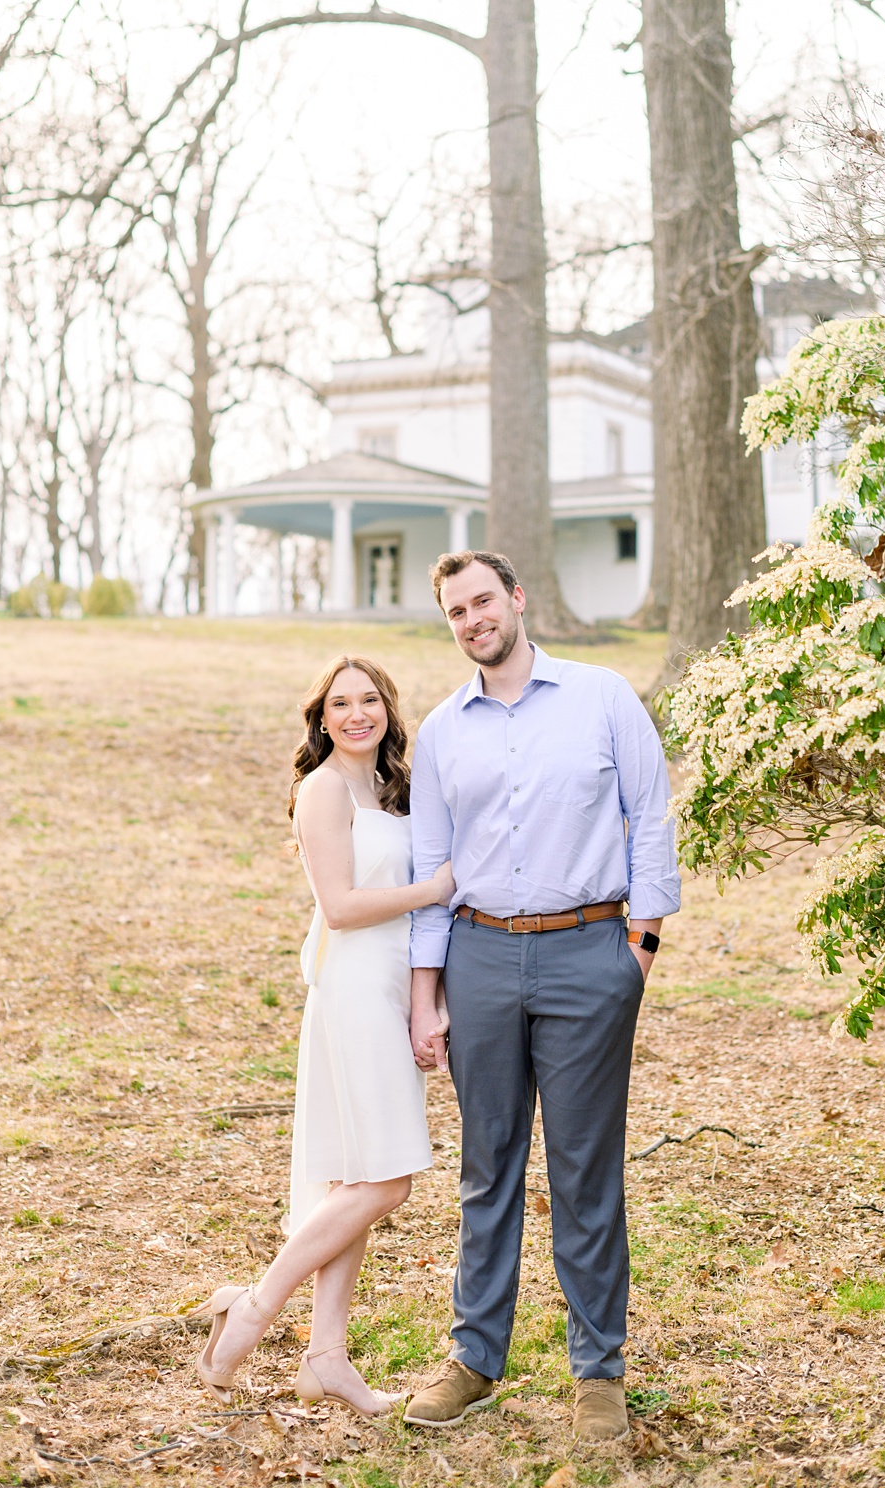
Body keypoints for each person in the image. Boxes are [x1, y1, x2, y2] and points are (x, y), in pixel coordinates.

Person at [398, 550, 677, 1444]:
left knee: (586, 1169)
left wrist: (638, 947)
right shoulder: (443, 730)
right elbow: (430, 869)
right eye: (456, 611)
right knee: (488, 1166)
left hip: (589, 953)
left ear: (518, 599)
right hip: (480, 955)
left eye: (484, 600)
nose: (473, 619)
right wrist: (426, 992)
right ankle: (475, 1359)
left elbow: (654, 813)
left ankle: (599, 1370)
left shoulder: (602, 697)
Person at [192, 656, 457, 1411]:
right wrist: (437, 885)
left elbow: (412, 923)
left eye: (369, 699)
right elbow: (339, 906)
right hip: (349, 991)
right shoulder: (322, 789)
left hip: (390, 986)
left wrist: (423, 1001)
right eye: (340, 703)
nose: (356, 713)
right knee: (387, 1179)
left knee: (356, 1178)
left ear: (388, 708)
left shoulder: (394, 789)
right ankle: (250, 1308)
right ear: (321, 717)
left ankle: (326, 1359)